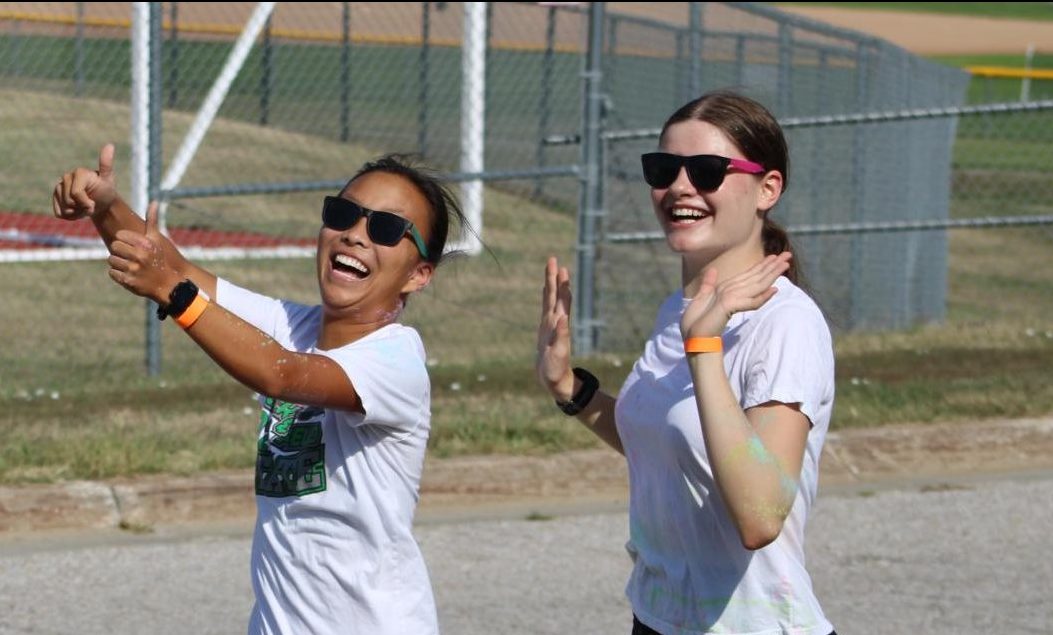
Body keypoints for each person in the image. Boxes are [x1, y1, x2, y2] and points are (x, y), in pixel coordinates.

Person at [53, 144, 466, 634]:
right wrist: (104, 207)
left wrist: (173, 293)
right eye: (344, 214)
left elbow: (282, 374)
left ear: (419, 275)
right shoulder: (294, 326)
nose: (355, 235)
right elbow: (177, 271)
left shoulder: (394, 360)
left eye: (386, 228)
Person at [536, 90, 836, 635]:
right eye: (664, 168)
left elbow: (761, 516)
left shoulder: (785, 325)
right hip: (658, 619)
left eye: (706, 170)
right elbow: (672, 446)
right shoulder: (680, 310)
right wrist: (569, 388)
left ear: (768, 188)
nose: (680, 186)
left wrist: (705, 349)